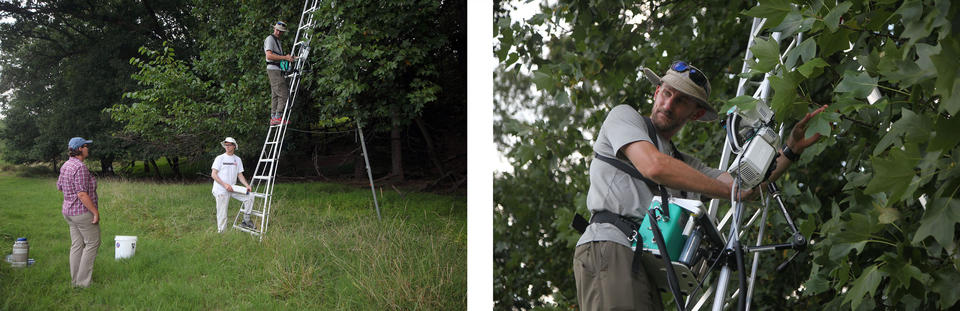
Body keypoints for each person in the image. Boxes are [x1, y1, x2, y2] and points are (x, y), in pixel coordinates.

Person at [573, 61, 827, 310]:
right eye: (667, 93)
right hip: (610, 246)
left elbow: (746, 187)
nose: (669, 104)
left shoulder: (684, 164)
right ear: (656, 92)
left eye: (681, 100)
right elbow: (654, 166)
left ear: (695, 114)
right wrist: (731, 191)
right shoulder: (624, 117)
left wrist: (790, 150)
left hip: (646, 263)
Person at [56, 137, 101, 288]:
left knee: (77, 245)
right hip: (81, 213)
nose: (88, 148)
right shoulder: (80, 167)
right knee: (93, 243)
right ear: (80, 149)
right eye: (86, 146)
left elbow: (60, 187)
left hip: (68, 212)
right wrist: (95, 212)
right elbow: (82, 194)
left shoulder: (66, 165)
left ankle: (75, 281)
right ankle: (82, 283)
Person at [211, 137, 255, 232]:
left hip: (232, 188)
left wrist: (247, 185)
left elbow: (240, 175)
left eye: (229, 145)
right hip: (221, 189)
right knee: (222, 213)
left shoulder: (237, 159)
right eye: (226, 145)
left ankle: (246, 221)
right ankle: (222, 233)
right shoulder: (220, 158)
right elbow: (213, 174)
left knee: (250, 196)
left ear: (234, 146)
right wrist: (224, 185)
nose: (227, 146)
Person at [264, 21, 296, 125]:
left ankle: (274, 117)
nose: (278, 32)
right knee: (284, 94)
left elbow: (278, 57)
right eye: (277, 30)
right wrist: (284, 57)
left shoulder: (277, 41)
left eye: (281, 31)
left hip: (276, 69)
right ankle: (278, 116)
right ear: (274, 29)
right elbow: (269, 56)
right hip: (274, 69)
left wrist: (290, 58)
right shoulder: (270, 39)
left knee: (276, 94)